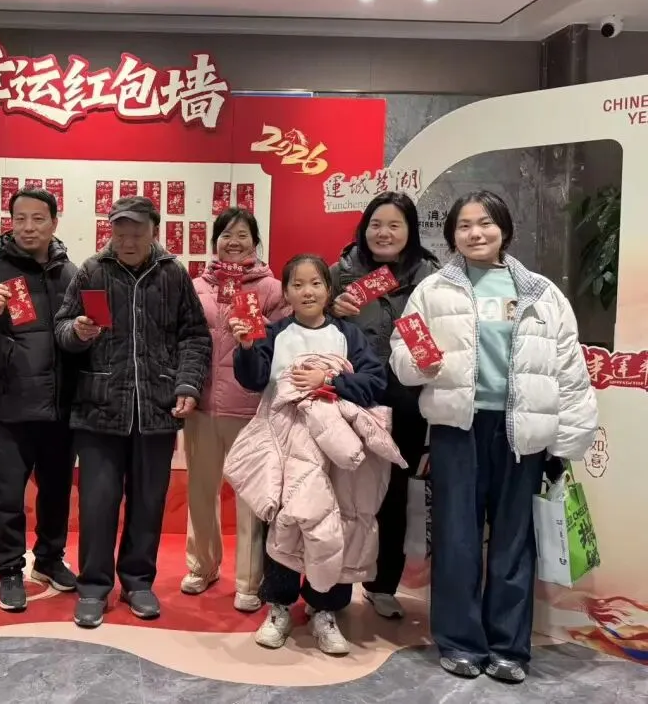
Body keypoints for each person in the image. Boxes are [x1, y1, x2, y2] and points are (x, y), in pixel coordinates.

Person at [389, 190, 597, 683]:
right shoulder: (433, 290)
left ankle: (509, 647)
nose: (475, 233)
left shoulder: (542, 293)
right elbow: (402, 352)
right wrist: (419, 363)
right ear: (452, 235)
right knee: (456, 537)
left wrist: (569, 440)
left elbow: (570, 369)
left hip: (522, 429)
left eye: (485, 223)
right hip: (457, 428)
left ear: (504, 229)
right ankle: (460, 642)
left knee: (513, 541)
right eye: (464, 225)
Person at [55, 195, 212, 629]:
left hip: (157, 408)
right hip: (100, 407)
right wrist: (77, 332)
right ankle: (93, 586)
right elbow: (62, 329)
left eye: (136, 232)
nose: (127, 240)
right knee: (97, 503)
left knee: (148, 502)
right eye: (120, 232)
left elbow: (194, 336)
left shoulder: (173, 274)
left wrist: (186, 385)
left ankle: (138, 582)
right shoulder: (92, 271)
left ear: (154, 231)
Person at [229, 254, 395, 655]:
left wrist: (330, 379)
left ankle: (326, 609)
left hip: (334, 447)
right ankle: (279, 605)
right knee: (286, 519)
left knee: (335, 521)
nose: (307, 292)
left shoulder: (348, 334)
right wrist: (247, 346)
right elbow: (253, 379)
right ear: (285, 292)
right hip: (286, 443)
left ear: (329, 289)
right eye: (298, 284)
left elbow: (375, 381)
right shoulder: (275, 332)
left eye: (316, 283)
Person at [0, 188, 79, 612]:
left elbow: (81, 336)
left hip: (61, 406)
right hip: (10, 405)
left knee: (57, 491)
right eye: (20, 219)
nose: (28, 227)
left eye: (38, 219)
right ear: (10, 223)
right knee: (6, 496)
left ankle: (49, 559)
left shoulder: (71, 274)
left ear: (54, 223)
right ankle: (9, 569)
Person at [330, 191, 439, 620]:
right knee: (343, 488)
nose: (384, 233)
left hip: (407, 401)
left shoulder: (432, 279)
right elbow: (309, 323)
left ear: (410, 231)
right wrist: (334, 311)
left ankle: (382, 585)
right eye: (376, 224)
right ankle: (332, 586)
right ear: (364, 228)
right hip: (354, 395)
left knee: (394, 494)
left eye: (395, 225)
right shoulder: (339, 273)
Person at [181, 207, 289, 612]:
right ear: (215, 242)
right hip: (203, 406)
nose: (234, 242)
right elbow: (184, 339)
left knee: (250, 498)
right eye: (226, 235)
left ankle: (249, 580)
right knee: (200, 491)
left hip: (249, 409)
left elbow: (281, 346)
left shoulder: (273, 290)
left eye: (243, 235)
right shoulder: (196, 287)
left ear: (255, 242)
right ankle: (202, 565)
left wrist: (256, 332)